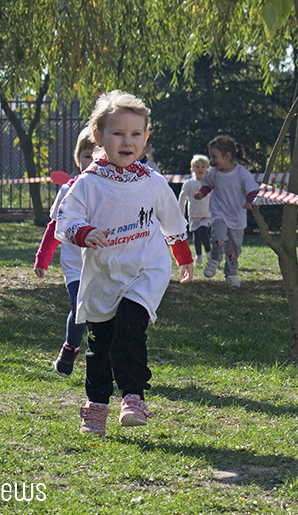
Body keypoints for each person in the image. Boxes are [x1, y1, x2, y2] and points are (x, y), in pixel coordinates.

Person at [55, 90, 194, 437]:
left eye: (135, 134)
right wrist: (84, 232)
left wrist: (183, 258)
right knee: (100, 345)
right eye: (118, 133)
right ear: (99, 138)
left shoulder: (153, 182)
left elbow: (173, 222)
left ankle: (133, 397)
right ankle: (96, 406)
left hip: (146, 270)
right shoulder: (88, 183)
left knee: (129, 331)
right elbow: (65, 221)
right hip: (104, 274)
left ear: (145, 139)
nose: (127, 141)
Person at [33, 127, 97, 377]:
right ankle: (70, 347)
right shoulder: (66, 191)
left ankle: (103, 356)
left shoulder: (112, 191)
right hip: (75, 266)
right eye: (86, 156)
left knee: (102, 314)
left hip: (104, 265)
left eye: (95, 157)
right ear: (77, 158)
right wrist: (43, 258)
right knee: (79, 306)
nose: (90, 162)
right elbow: (53, 228)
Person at [194, 135, 259, 287]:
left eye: (214, 156)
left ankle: (231, 274)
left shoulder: (241, 173)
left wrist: (250, 202)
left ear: (227, 156)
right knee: (218, 237)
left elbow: (252, 189)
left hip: (237, 216)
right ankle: (215, 258)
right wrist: (201, 193)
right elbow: (207, 185)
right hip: (219, 213)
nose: (212, 160)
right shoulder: (213, 173)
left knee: (233, 250)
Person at [178, 154, 212, 265]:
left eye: (203, 166)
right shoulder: (189, 184)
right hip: (194, 214)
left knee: (203, 230)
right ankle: (199, 256)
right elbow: (182, 198)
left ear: (208, 168)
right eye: (197, 167)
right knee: (196, 235)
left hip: (207, 214)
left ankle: (209, 254)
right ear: (192, 169)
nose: (200, 169)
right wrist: (180, 212)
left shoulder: (210, 183)